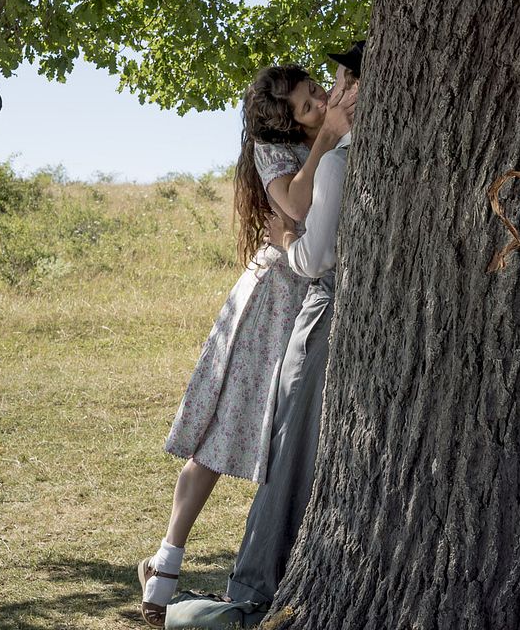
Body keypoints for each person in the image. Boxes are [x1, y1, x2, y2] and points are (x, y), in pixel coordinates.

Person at [138, 64, 356, 628]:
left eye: (315, 93)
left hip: (313, 298)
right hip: (273, 300)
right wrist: (325, 140)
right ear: (285, 122)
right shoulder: (278, 152)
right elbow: (298, 209)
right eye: (305, 107)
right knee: (227, 423)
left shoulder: (338, 131)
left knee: (290, 431)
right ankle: (166, 564)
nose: (316, 104)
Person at [223, 41, 364, 609]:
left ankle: (263, 581)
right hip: (317, 304)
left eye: (322, 88)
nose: (326, 97)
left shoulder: (337, 153)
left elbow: (308, 247)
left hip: (326, 301)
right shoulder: (295, 159)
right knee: (290, 446)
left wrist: (287, 243)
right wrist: (289, 242)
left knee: (305, 444)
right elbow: (308, 233)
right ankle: (254, 587)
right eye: (310, 103)